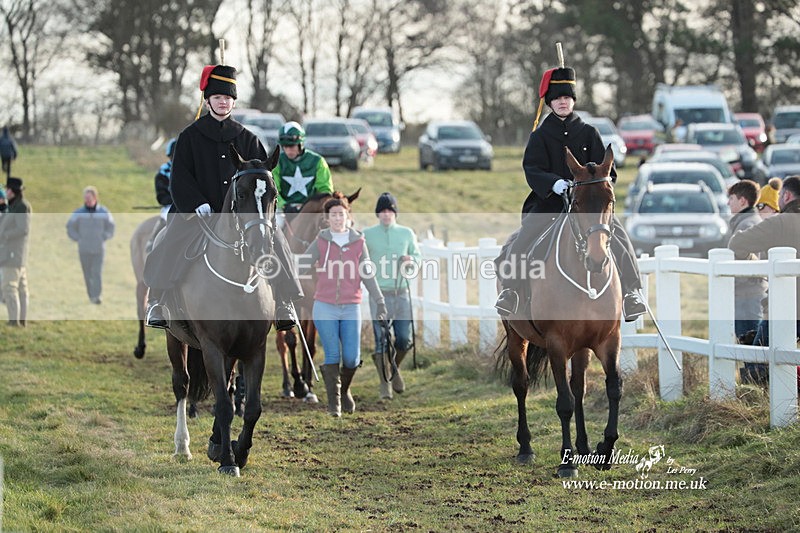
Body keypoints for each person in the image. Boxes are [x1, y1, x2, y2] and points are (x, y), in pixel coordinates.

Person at [143, 64, 302, 330]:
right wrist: (196, 203)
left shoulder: (248, 139)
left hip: (244, 216)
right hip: (197, 213)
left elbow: (262, 179)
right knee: (171, 238)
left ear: (234, 102)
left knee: (275, 238)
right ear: (207, 101)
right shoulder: (189, 137)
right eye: (217, 97)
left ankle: (285, 302)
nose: (223, 102)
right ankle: (157, 301)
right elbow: (179, 178)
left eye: (227, 98)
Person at [494, 63, 646, 321]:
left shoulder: (589, 133)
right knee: (524, 239)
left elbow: (609, 172)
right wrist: (554, 183)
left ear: (573, 100)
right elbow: (532, 168)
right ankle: (511, 291)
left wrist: (593, 183)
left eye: (566, 97)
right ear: (550, 103)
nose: (562, 102)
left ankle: (632, 293)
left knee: (619, 236)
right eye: (557, 98)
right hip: (549, 204)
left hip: (588, 205)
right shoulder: (540, 136)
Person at [299, 195, 387, 417]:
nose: (338, 218)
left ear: (348, 216)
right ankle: (334, 403)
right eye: (333, 215)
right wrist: (287, 284)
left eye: (341, 214)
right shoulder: (320, 241)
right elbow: (301, 267)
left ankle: (344, 389)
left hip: (350, 306)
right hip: (324, 305)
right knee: (332, 355)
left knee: (351, 358)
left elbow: (368, 274)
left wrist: (379, 300)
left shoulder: (359, 243)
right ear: (327, 218)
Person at [729, 175, 800, 384]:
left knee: (758, 362)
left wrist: (756, 266)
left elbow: (737, 244)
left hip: (785, 307)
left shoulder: (780, 223)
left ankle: (766, 399)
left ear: (786, 196)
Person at [363, 192, 421, 400]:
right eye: (383, 211)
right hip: (378, 294)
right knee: (382, 340)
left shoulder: (406, 233)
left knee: (404, 339)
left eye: (390, 211)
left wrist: (410, 260)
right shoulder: (367, 234)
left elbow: (417, 256)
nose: (386, 214)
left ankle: (393, 368)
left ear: (395, 213)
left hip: (401, 292)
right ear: (377, 213)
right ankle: (384, 383)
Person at [725, 180, 766, 341]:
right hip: (750, 293)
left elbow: (742, 260)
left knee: (748, 343)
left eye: (732, 198)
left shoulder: (746, 224)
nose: (728, 203)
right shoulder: (749, 221)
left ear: (742, 201)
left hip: (746, 296)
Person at [271, 121, 333, 223]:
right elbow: (273, 189)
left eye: (292, 146)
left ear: (301, 144)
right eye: (285, 146)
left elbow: (325, 190)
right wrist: (284, 205)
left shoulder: (318, 161)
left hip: (312, 209)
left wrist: (310, 206)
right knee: (276, 225)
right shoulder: (277, 162)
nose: (288, 150)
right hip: (284, 209)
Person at [66, 186, 116, 304]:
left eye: (89, 198)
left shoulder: (104, 212)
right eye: (86, 198)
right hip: (84, 249)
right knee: (87, 273)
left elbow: (111, 227)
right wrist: (78, 238)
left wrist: (104, 236)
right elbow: (70, 227)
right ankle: (90, 295)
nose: (87, 201)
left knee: (96, 273)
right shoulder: (78, 213)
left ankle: (97, 296)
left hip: (99, 249)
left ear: (95, 198)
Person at [0, 177, 31, 326]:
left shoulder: (21, 206)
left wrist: (5, 235)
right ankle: (21, 321)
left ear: (12, 191)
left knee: (10, 288)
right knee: (21, 289)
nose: (5, 191)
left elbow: (23, 229)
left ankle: (14, 321)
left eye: (7, 189)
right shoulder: (13, 205)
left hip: (12, 254)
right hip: (14, 254)